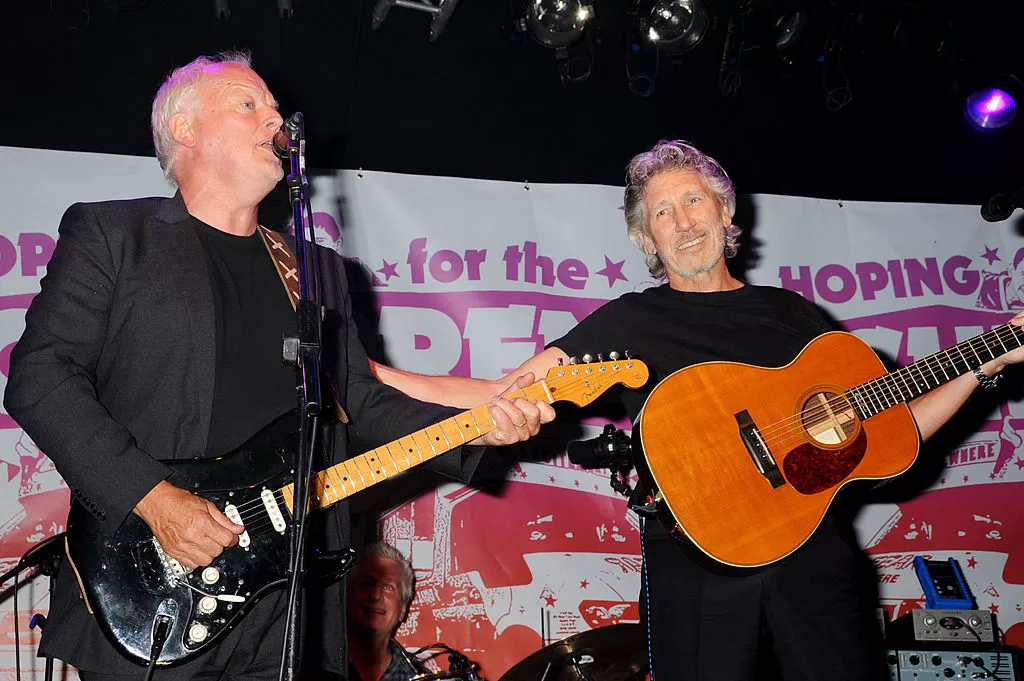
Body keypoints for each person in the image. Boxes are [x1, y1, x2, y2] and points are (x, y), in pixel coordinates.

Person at [370, 139, 1024, 681]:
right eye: (661, 213)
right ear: (645, 237)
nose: (682, 222)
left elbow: (896, 434)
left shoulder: (793, 316)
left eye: (692, 200)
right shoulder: (631, 319)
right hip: (695, 564)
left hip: (814, 565)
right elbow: (515, 388)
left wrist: (985, 362)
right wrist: (377, 380)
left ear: (724, 208)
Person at [3, 51, 554, 681]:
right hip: (154, 577)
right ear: (185, 129)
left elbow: (360, 402)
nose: (277, 118)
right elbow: (41, 378)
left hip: (289, 599)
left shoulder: (317, 272)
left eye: (274, 106)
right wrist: (154, 500)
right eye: (249, 103)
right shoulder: (113, 235)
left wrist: (473, 424)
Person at [347, 543, 424, 681]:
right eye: (367, 584)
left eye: (388, 587)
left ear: (403, 610)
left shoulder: (418, 678)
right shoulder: (312, 668)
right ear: (349, 596)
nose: (376, 596)